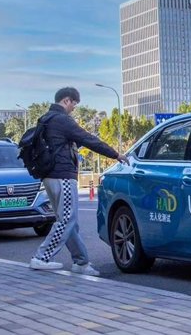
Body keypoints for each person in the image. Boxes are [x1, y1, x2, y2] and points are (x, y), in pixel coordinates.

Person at [29, 87, 128, 276]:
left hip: (50, 176)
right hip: (63, 176)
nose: (74, 108)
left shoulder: (46, 119)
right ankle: (41, 257)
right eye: (74, 104)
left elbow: (71, 142)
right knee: (67, 219)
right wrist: (115, 154)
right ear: (67, 100)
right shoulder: (62, 120)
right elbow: (88, 139)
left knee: (69, 222)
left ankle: (81, 262)